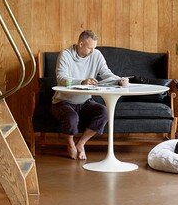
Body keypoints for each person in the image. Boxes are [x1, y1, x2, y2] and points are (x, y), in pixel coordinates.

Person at [52, 30, 129, 160]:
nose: (93, 51)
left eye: (94, 47)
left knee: (104, 112)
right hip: (63, 101)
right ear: (80, 44)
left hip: (85, 101)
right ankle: (70, 143)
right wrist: (82, 81)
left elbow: (106, 73)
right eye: (90, 48)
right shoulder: (65, 55)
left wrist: (119, 80)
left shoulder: (96, 54)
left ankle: (81, 143)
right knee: (72, 117)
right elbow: (61, 78)